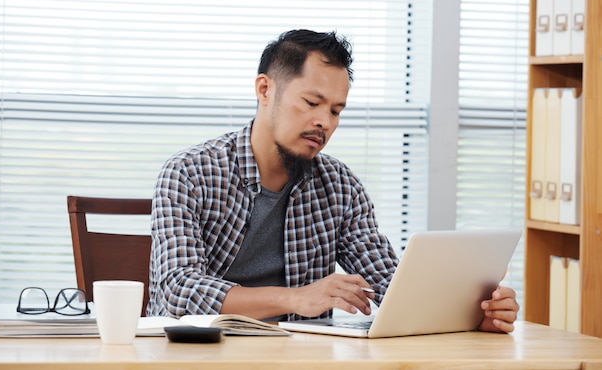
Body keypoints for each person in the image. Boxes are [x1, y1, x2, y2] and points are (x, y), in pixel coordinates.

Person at [147, 29, 520, 332]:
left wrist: (473, 312)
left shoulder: (339, 185)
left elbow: (392, 284)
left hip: (300, 357)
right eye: (312, 103)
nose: (325, 122)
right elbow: (179, 289)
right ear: (265, 90)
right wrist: (296, 297)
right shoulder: (189, 173)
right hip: (198, 354)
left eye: (336, 110)